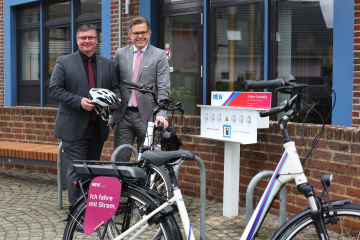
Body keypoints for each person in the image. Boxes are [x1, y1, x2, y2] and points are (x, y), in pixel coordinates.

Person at [49, 24, 121, 208]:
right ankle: (77, 214)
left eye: (90, 37)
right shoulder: (64, 61)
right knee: (77, 170)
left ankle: (91, 209)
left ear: (97, 40)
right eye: (83, 38)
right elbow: (54, 89)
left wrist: (114, 101)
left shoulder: (109, 64)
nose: (87, 41)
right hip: (72, 126)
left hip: (98, 127)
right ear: (77, 40)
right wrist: (78, 102)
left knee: (92, 170)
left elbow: (115, 89)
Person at [109, 17, 170, 162]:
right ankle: (121, 184)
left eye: (143, 32)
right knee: (120, 158)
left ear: (149, 33)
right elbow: (114, 84)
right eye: (136, 33)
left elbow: (163, 87)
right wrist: (111, 113)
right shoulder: (120, 53)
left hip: (148, 116)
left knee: (146, 160)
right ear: (130, 35)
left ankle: (142, 185)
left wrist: (162, 114)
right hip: (123, 115)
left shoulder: (159, 55)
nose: (140, 36)